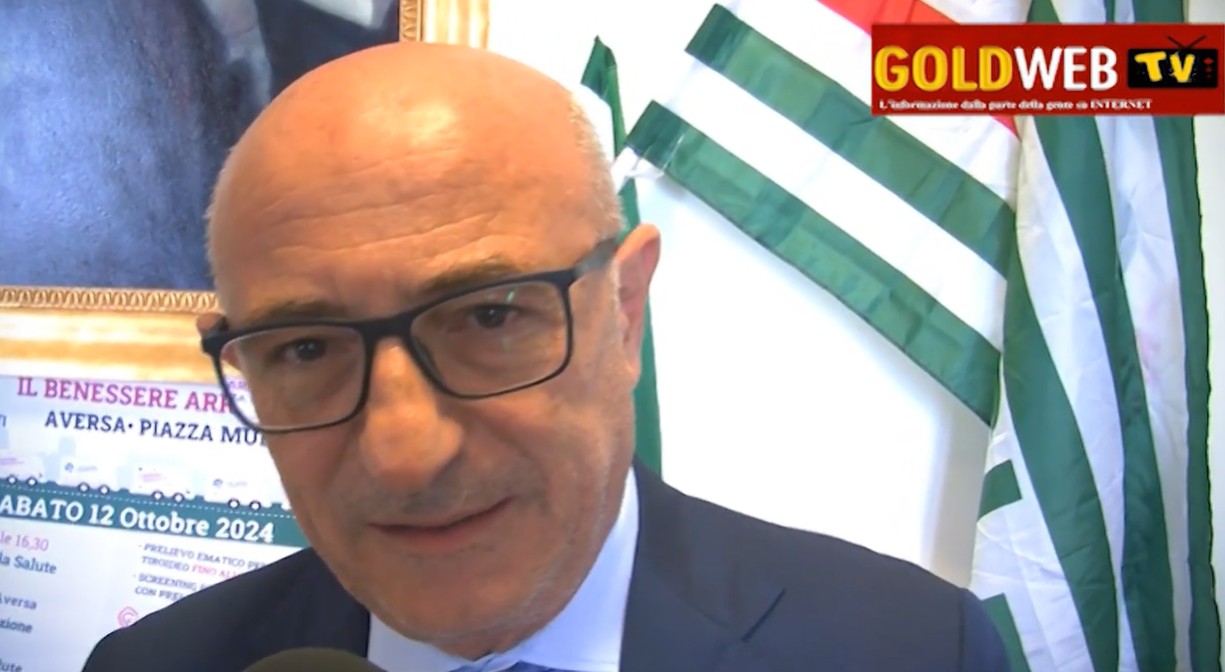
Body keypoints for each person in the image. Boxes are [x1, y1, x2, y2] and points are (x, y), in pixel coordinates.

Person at [81, 41, 1011, 672]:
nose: (404, 453)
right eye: (307, 348)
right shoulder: (156, 663)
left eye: (488, 317)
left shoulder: (908, 646)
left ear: (625, 311)